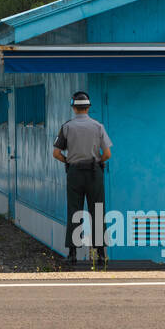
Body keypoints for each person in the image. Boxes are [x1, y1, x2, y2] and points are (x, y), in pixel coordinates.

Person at [53, 90, 113, 267]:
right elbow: (107, 154)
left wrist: (68, 162)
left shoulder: (67, 127)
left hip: (75, 173)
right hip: (94, 173)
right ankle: (101, 254)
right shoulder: (98, 127)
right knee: (98, 211)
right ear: (88, 107)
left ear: (73, 107)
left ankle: (72, 254)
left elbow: (56, 153)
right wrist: (98, 161)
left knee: (74, 211)